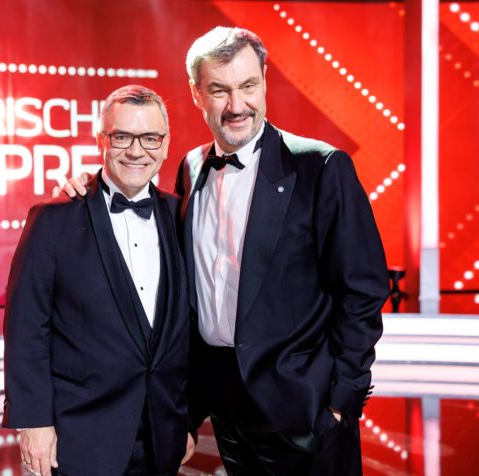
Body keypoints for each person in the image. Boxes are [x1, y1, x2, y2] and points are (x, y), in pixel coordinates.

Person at [62, 27, 388, 475]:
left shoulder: (321, 166)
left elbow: (363, 290)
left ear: (265, 80)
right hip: (224, 410)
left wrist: (340, 400)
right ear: (196, 94)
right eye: (219, 90)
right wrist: (91, 189)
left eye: (248, 86)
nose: (237, 105)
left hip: (305, 410)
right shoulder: (191, 167)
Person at [3, 84, 195, 476]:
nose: (137, 151)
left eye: (150, 138)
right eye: (122, 137)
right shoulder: (54, 219)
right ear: (100, 140)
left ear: (166, 143)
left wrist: (188, 419)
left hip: (163, 434)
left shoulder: (182, 217)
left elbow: (192, 327)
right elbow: (26, 328)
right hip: (80, 437)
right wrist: (34, 422)